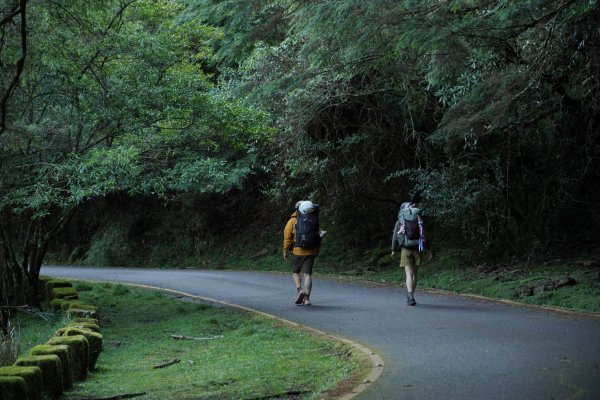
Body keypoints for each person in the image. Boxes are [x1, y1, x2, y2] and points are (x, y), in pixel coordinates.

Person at [283, 200, 325, 306]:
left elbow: (287, 238)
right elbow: (317, 237)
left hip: (297, 251)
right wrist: (317, 251)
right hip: (311, 251)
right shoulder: (313, 220)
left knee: (295, 272)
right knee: (307, 275)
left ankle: (299, 290)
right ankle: (307, 299)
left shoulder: (293, 221)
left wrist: (285, 251)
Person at [391, 202, 432, 306]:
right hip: (418, 248)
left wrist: (393, 250)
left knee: (408, 274)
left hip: (406, 249)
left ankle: (410, 295)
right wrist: (428, 249)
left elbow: (395, 236)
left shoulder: (400, 220)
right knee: (414, 274)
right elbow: (425, 233)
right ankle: (411, 295)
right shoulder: (418, 218)